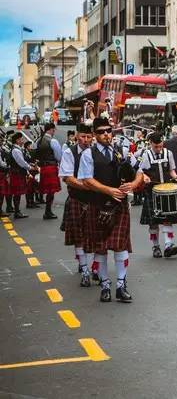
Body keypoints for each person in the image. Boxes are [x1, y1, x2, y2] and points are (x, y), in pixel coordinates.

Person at [78, 117, 144, 303]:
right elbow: (86, 180)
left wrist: (133, 184)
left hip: (119, 205)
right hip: (98, 204)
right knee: (100, 248)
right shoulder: (88, 154)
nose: (106, 134)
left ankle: (121, 286)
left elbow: (139, 170)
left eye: (108, 131)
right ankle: (105, 285)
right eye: (101, 132)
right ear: (94, 135)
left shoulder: (121, 150)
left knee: (120, 246)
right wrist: (108, 190)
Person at [59, 123, 94, 287]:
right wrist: (85, 185)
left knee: (96, 236)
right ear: (76, 136)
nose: (86, 140)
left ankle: (94, 267)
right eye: (83, 137)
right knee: (79, 236)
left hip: (95, 200)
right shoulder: (69, 152)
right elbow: (67, 177)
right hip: (77, 199)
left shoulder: (96, 152)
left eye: (89, 137)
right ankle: (84, 269)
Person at [138, 132, 177, 258]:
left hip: (166, 190)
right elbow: (140, 172)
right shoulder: (146, 154)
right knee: (153, 222)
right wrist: (145, 177)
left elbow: (172, 171)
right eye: (156, 146)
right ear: (150, 143)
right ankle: (156, 246)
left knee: (167, 219)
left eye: (160, 146)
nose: (158, 149)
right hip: (152, 191)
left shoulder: (168, 153)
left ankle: (169, 245)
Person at [35, 122, 62, 219]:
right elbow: (59, 156)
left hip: (43, 167)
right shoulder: (53, 141)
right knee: (51, 192)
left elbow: (35, 152)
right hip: (51, 167)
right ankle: (48, 211)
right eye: (54, 129)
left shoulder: (39, 140)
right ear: (51, 129)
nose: (54, 131)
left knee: (48, 191)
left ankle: (48, 211)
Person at [8, 132, 35, 219]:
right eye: (21, 139)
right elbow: (21, 163)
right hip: (17, 173)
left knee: (17, 193)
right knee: (17, 193)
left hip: (17, 172)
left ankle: (17, 211)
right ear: (17, 140)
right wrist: (30, 168)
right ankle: (17, 212)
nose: (23, 140)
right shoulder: (16, 150)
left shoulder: (17, 149)